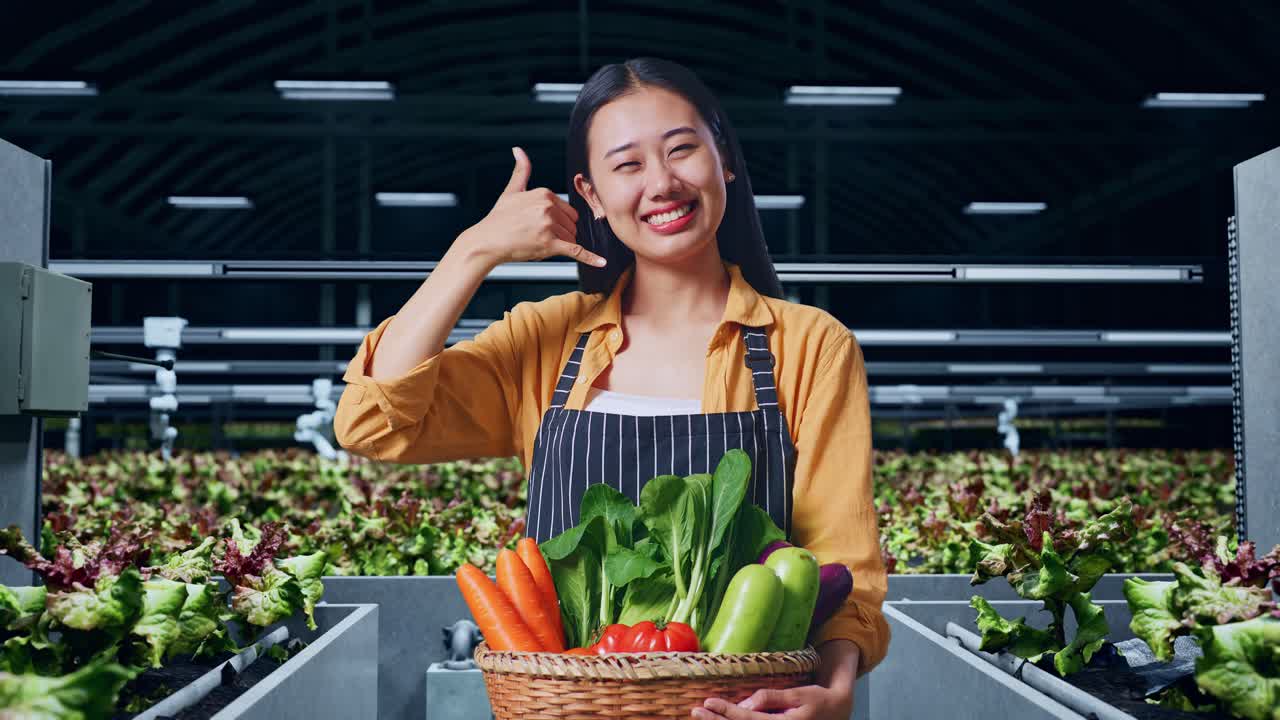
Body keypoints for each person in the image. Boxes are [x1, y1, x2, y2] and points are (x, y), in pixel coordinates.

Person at [334, 57, 890, 719]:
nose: (662, 182)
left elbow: (839, 559)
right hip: (562, 707)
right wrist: (474, 250)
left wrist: (833, 692)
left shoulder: (808, 346)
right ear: (590, 194)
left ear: (727, 163)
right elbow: (373, 422)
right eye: (627, 165)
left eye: (683, 149)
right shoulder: (544, 343)